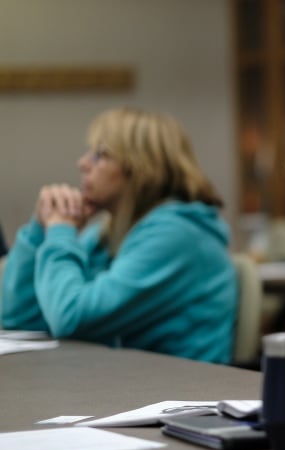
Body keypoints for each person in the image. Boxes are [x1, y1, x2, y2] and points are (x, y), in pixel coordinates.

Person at [1, 107, 237, 364]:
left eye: (100, 154)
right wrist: (40, 227)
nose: (82, 163)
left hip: (181, 394)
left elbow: (71, 319)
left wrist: (61, 231)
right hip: (126, 386)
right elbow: (17, 319)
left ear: (142, 168)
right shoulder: (106, 233)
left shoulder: (178, 235)